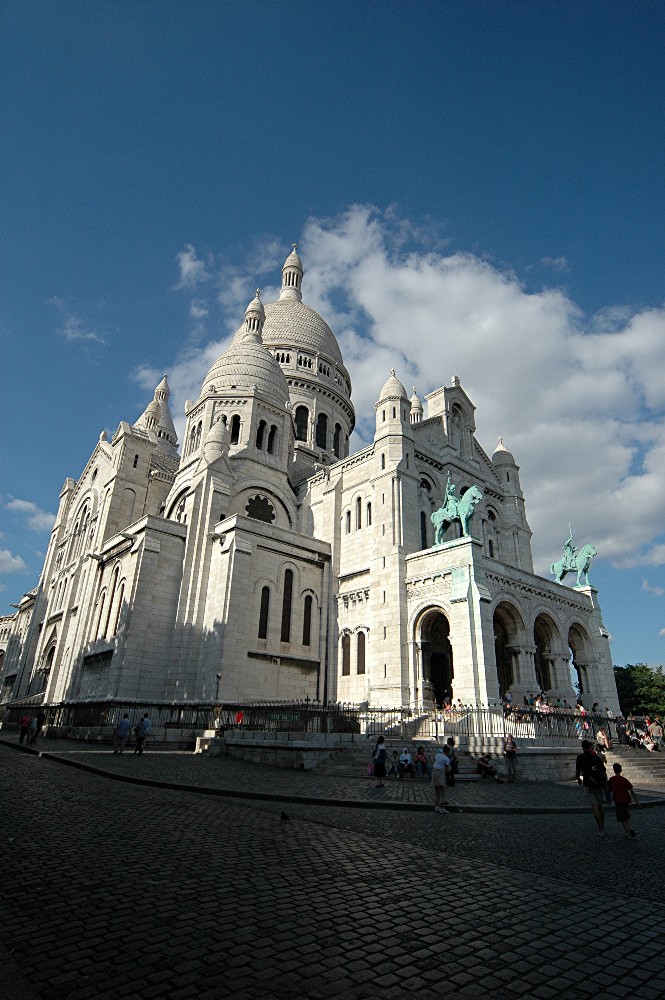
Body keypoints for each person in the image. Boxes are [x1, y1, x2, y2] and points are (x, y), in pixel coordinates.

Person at [575, 739, 608, 835]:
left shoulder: (580, 757)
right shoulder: (596, 757)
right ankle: (603, 824)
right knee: (600, 806)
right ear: (590, 747)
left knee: (595, 807)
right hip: (599, 784)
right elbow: (603, 770)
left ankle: (600, 829)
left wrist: (578, 779)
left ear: (582, 748)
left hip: (588, 784)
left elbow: (577, 771)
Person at [607, 763, 640, 839]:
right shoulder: (624, 780)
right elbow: (631, 791)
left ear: (614, 770)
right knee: (627, 816)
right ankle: (630, 830)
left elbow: (608, 790)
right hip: (626, 800)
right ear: (621, 770)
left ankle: (628, 833)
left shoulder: (612, 779)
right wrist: (637, 801)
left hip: (618, 801)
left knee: (622, 818)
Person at [431, 746, 450, 813]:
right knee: (443, 790)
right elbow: (447, 770)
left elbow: (434, 760)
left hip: (434, 772)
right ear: (447, 752)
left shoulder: (437, 755)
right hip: (440, 773)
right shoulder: (446, 758)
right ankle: (442, 807)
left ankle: (436, 806)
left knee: (437, 791)